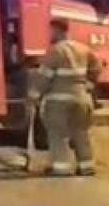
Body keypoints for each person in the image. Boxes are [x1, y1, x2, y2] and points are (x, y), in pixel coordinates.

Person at [29, 19, 102, 176]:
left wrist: (34, 95)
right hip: (82, 99)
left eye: (50, 30)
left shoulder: (55, 51)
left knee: (57, 134)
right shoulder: (83, 49)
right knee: (81, 132)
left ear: (56, 30)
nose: (49, 34)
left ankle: (61, 168)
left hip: (59, 102)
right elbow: (96, 69)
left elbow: (44, 77)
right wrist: (88, 85)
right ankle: (87, 166)